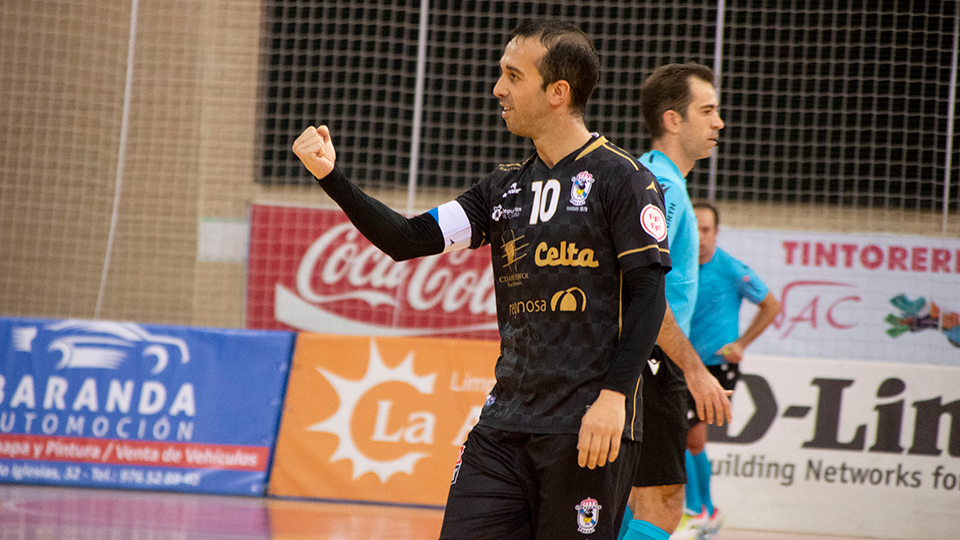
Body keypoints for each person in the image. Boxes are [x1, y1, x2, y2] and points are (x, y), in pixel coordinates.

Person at [293, 20, 672, 540]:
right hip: (503, 426)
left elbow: (650, 296)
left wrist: (613, 398)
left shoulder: (622, 178)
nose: (498, 88)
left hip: (586, 426)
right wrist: (331, 177)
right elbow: (407, 238)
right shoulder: (502, 189)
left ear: (557, 92)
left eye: (513, 76)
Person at [617, 63, 732, 540]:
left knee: (627, 496)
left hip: (645, 359)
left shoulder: (660, 181)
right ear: (672, 120)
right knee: (663, 501)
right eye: (707, 111)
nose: (719, 123)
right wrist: (693, 367)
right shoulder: (661, 188)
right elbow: (644, 289)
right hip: (652, 361)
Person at [680, 200, 782, 539]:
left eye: (706, 230)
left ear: (717, 233)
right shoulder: (678, 265)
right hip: (682, 364)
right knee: (690, 438)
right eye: (695, 229)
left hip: (715, 367)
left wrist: (741, 344)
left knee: (688, 434)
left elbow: (771, 304)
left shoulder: (730, 269)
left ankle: (698, 511)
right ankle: (706, 510)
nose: (700, 236)